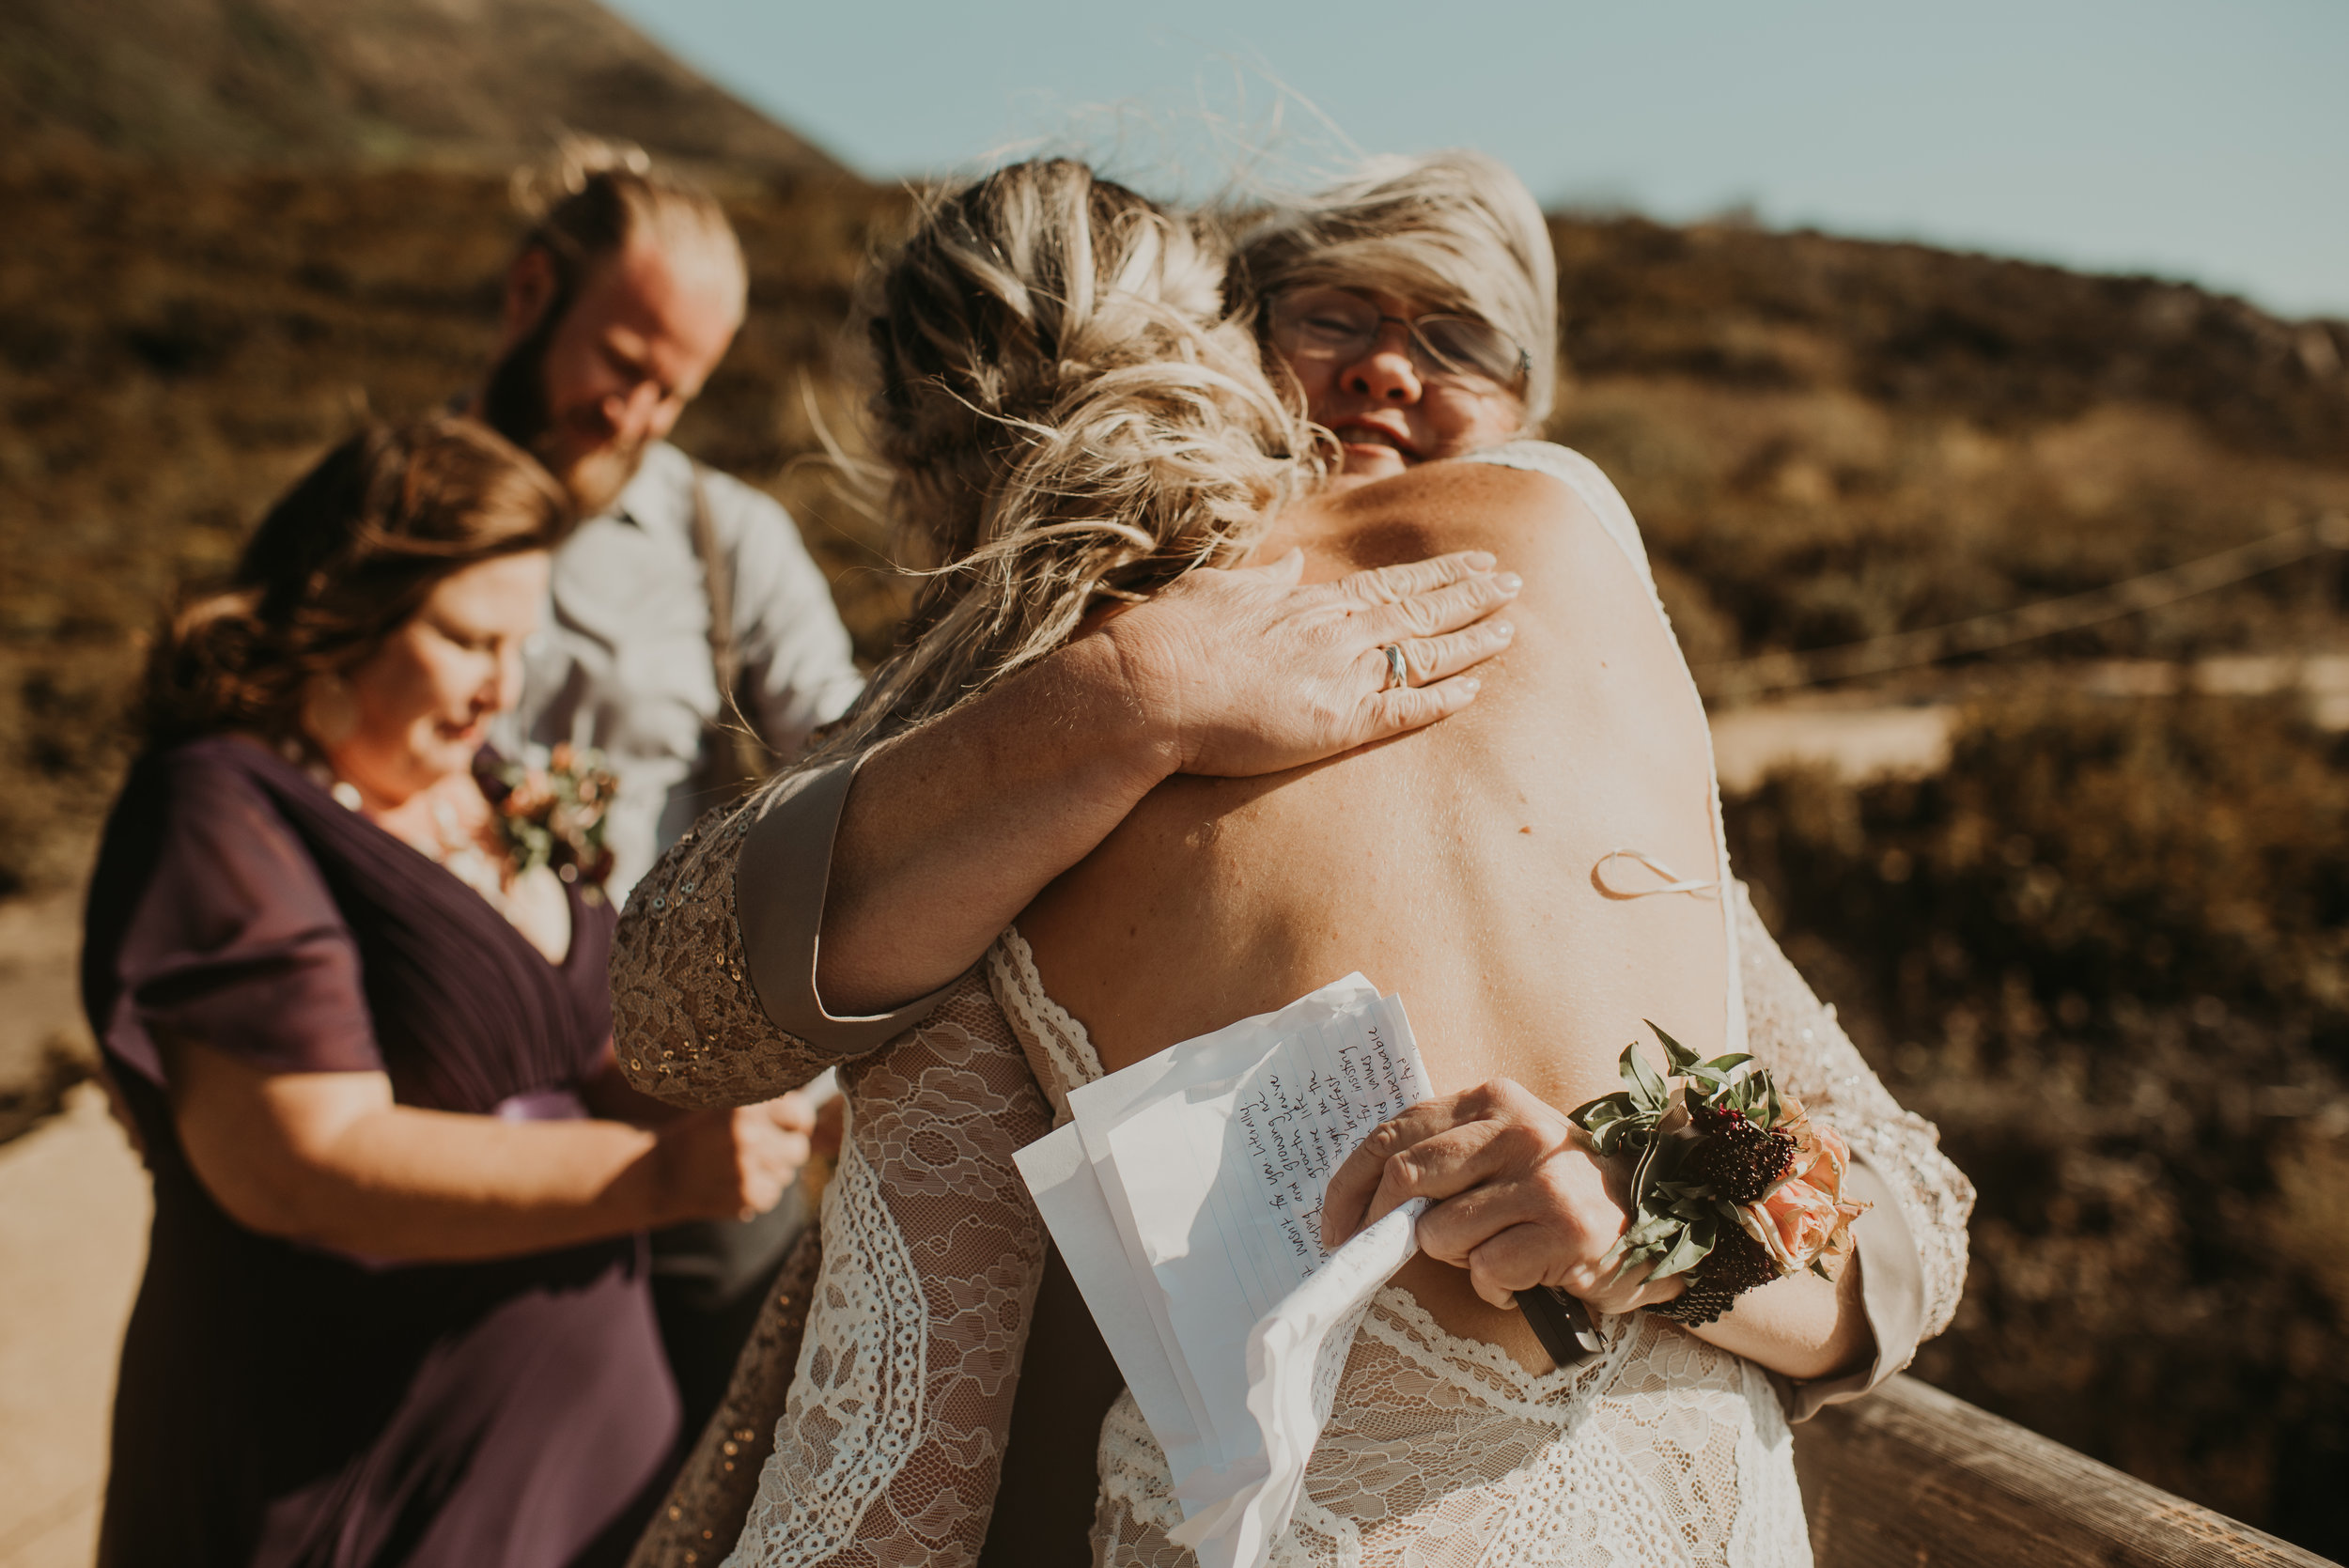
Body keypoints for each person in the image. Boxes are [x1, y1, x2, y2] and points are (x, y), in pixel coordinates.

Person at [616, 156, 1970, 1566]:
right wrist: (1125, 698)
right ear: (1222, 348)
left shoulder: (1543, 710)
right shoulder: (1020, 708)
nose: (1390, 370)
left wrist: (1634, 1213)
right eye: (1332, 316)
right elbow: (686, 992)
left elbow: (1894, 1216)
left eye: (1458, 339)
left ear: (1524, 418)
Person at [81, 419, 817, 1568]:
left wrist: (702, 1090)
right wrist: (659, 1174)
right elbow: (301, 1162)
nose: (501, 692)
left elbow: (553, 1054)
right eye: (470, 641)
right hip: (356, 1452)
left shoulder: (474, 784)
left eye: (519, 644)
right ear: (346, 608)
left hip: (580, 1466)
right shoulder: (219, 812)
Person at [471, 141, 867, 1446]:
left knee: (724, 1446)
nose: (636, 414)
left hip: (683, 1090)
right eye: (622, 366)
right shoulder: (403, 507)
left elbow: (848, 753)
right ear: (534, 291)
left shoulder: (726, 536)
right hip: (459, 1079)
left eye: (674, 390)